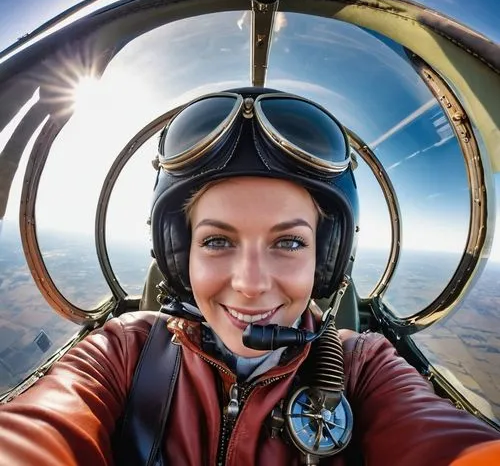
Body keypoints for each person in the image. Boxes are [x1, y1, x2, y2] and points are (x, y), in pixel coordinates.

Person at [0, 87, 499, 466]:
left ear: (326, 258)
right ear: (179, 256)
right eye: (217, 241)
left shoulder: (363, 367)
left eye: (289, 242)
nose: (252, 283)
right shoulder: (123, 350)